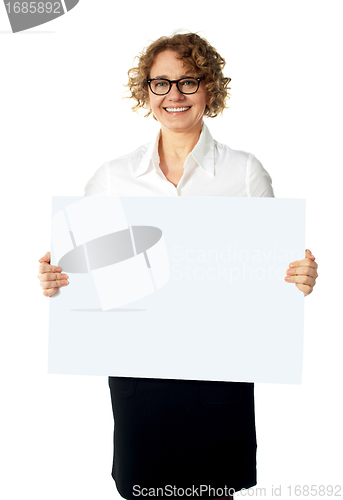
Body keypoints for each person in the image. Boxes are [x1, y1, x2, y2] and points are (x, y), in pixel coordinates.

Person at [38, 32, 318, 499]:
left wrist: (300, 279)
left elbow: (276, 276)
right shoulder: (112, 178)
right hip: (138, 376)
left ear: (209, 90)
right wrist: (57, 280)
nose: (175, 95)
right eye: (161, 83)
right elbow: (83, 275)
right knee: (143, 490)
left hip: (219, 375)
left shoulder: (245, 173)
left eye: (189, 82)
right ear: (145, 92)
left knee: (211, 491)